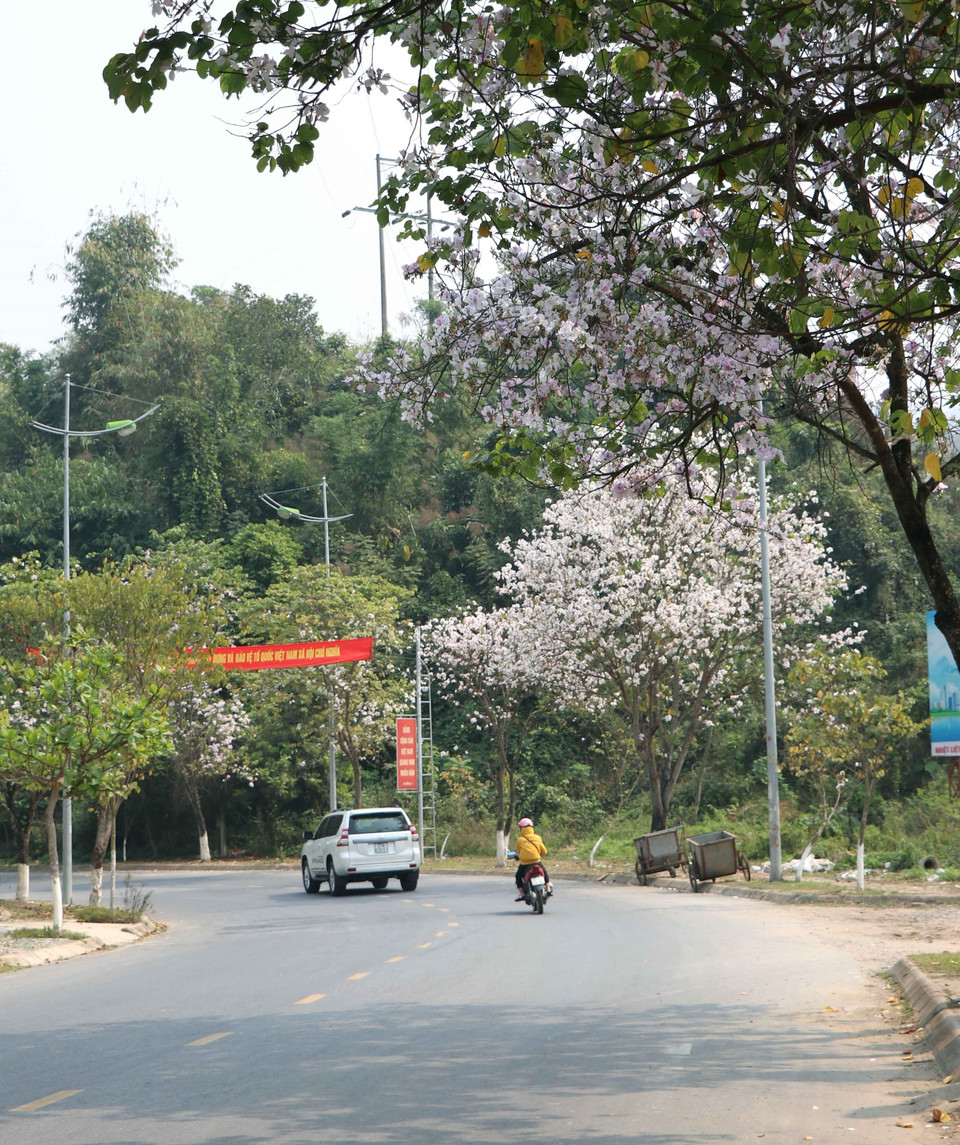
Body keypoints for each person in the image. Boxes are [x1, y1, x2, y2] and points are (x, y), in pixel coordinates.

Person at [513, 816, 553, 900]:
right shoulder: (537, 838)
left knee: (518, 876)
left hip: (525, 864)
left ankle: (522, 893)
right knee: (545, 873)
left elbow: (519, 851)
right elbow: (544, 851)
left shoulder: (520, 840)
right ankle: (548, 889)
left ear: (521, 829)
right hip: (537, 862)